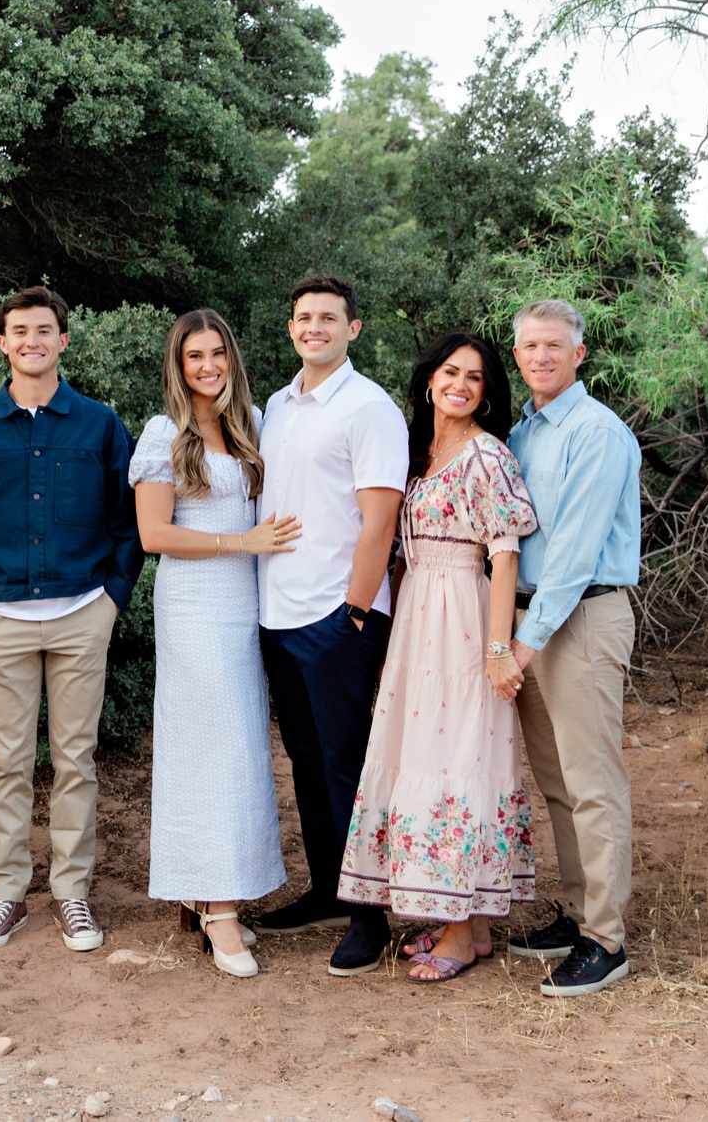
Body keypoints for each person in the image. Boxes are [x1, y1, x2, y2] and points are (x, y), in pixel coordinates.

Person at [336, 333, 540, 983]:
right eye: (451, 372)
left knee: (457, 759)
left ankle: (457, 928)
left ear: (487, 392)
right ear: (429, 379)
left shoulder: (487, 455)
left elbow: (504, 553)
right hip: (416, 618)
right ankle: (471, 925)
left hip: (462, 620)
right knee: (421, 753)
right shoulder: (418, 453)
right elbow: (400, 550)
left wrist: (498, 648)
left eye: (475, 377)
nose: (461, 385)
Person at [0, 286, 145, 954]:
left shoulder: (100, 424)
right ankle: (7, 894)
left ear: (63, 339)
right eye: (19, 331)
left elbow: (127, 519)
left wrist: (112, 597)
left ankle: (71, 893)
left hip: (82, 612)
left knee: (75, 760)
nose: (31, 341)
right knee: (8, 764)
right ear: (2, 343)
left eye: (43, 330)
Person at [128, 309, 297, 978]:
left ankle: (208, 894)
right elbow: (154, 534)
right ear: (179, 364)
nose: (208, 366)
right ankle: (217, 907)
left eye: (217, 353)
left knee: (242, 745)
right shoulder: (164, 431)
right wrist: (241, 542)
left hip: (245, 603)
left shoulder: (249, 422)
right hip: (195, 604)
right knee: (211, 747)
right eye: (195, 356)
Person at [250, 275, 406, 979]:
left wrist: (357, 609)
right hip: (278, 613)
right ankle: (328, 890)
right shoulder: (278, 406)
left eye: (329, 317)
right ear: (291, 328)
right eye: (304, 317)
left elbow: (380, 519)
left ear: (353, 328)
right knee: (306, 760)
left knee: (347, 763)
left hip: (337, 614)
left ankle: (371, 914)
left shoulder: (369, 407)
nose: (315, 327)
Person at [504, 299, 642, 997]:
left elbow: (574, 553)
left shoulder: (596, 432)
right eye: (531, 345)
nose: (542, 356)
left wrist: (522, 645)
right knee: (556, 781)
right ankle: (578, 913)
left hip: (581, 616)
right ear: (518, 354)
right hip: (532, 618)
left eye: (555, 345)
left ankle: (606, 940)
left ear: (579, 354)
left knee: (593, 782)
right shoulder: (522, 432)